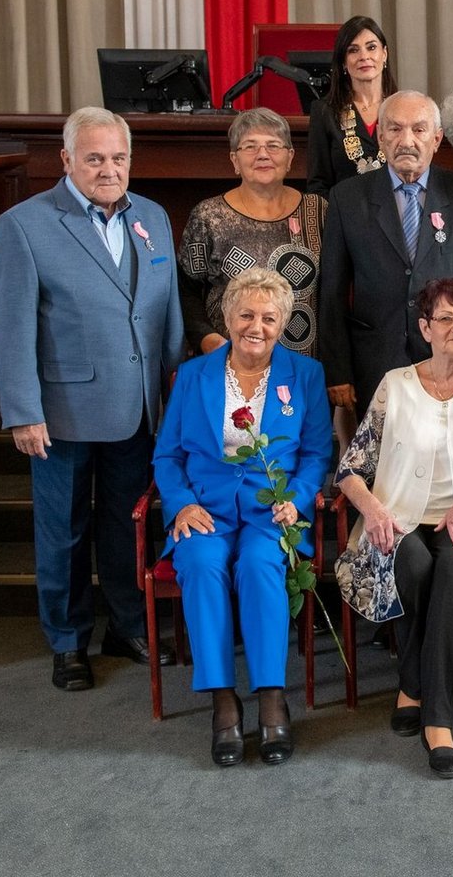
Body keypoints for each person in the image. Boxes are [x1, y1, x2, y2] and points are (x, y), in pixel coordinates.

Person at [0, 107, 185, 692]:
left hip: (139, 408)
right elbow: (10, 326)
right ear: (66, 159)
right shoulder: (25, 224)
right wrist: (23, 411)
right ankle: (68, 641)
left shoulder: (151, 216)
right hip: (62, 413)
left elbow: (165, 310)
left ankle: (127, 626)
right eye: (94, 158)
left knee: (128, 527)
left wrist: (174, 392)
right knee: (64, 531)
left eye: (118, 158)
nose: (108, 169)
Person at [334, 278, 453, 778]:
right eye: (446, 318)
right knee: (415, 566)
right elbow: (351, 468)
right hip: (397, 518)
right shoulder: (395, 384)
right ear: (425, 328)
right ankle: (415, 683)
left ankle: (434, 715)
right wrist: (374, 511)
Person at [152, 268, 331, 766]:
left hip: (270, 511)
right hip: (204, 508)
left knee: (259, 565)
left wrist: (297, 498)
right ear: (228, 318)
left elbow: (317, 453)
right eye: (247, 315)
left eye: (269, 318)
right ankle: (223, 701)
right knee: (202, 564)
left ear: (283, 324)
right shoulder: (193, 375)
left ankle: (272, 696)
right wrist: (181, 503)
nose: (257, 326)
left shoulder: (306, 375)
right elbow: (167, 455)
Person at [318, 90, 453, 425]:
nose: (406, 141)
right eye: (395, 129)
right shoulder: (347, 198)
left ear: (437, 139)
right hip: (375, 359)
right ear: (381, 138)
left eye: (419, 130)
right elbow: (333, 290)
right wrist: (338, 370)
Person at [179, 108, 326, 357]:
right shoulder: (209, 216)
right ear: (235, 160)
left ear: (290, 157)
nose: (263, 154)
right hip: (231, 361)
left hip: (305, 364)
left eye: (273, 145)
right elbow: (186, 291)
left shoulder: (319, 210)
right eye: (250, 146)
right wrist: (207, 339)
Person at [306, 15, 397, 196]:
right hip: (344, 211)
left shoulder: (404, 108)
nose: (364, 56)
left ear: (384, 54)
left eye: (371, 47)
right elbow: (318, 185)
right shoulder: (324, 111)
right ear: (343, 62)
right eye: (353, 50)